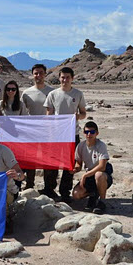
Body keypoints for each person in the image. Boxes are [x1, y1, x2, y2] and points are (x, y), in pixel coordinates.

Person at [43, 66, 87, 203]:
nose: (65, 79)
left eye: (68, 77)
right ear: (59, 78)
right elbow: (49, 114)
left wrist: (77, 116)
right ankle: (49, 190)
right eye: (62, 77)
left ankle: (65, 192)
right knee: (52, 163)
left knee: (69, 164)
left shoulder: (78, 94)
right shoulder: (53, 94)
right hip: (56, 135)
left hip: (72, 134)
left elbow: (84, 113)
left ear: (72, 79)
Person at [21, 64, 54, 190]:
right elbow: (21, 112)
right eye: (36, 73)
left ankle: (49, 188)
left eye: (41, 73)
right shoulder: (26, 93)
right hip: (31, 131)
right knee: (30, 160)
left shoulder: (52, 92)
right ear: (32, 75)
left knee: (48, 160)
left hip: (48, 132)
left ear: (45, 74)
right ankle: (29, 185)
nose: (38, 76)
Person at [71, 121, 113, 214]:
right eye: (86, 132)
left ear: (97, 133)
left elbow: (102, 167)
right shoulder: (81, 146)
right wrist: (75, 169)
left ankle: (102, 201)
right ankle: (93, 195)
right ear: (83, 133)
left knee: (99, 175)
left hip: (102, 175)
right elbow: (79, 163)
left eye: (92, 132)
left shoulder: (101, 146)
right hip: (89, 176)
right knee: (76, 195)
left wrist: (85, 175)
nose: (89, 134)